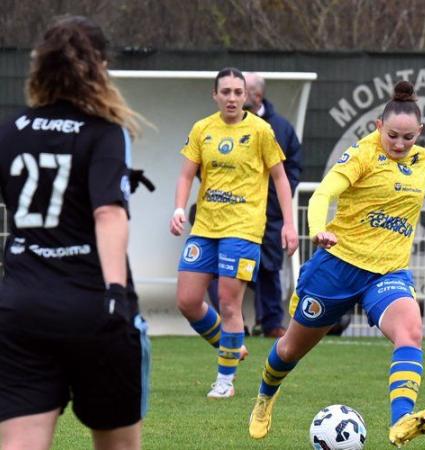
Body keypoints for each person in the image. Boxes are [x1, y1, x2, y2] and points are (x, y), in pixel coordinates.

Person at [248, 80, 425, 447]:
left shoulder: (419, 158)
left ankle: (401, 420)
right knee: (289, 350)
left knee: (410, 332)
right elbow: (324, 192)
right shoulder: (361, 155)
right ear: (379, 126)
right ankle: (265, 397)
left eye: (408, 138)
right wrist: (318, 230)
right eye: (393, 135)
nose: (399, 144)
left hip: (388, 272)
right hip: (337, 267)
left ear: (418, 134)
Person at [0, 15, 150, 450]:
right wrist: (116, 295)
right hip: (93, 310)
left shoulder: (10, 132)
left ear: (39, 67)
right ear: (100, 67)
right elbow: (108, 214)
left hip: (23, 309)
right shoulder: (105, 133)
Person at [169, 67, 298, 399]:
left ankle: (224, 380)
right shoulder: (202, 129)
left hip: (243, 228)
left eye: (237, 92)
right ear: (215, 95)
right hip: (205, 227)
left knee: (229, 303)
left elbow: (281, 179)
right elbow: (186, 175)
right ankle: (232, 346)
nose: (231, 98)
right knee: (187, 300)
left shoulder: (261, 131)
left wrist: (289, 223)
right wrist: (180, 208)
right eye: (225, 92)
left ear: (247, 96)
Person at [244, 72, 302, 338]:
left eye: (240, 91)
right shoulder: (220, 127)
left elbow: (292, 169)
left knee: (269, 267)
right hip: (232, 210)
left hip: (269, 212)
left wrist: (278, 200)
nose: (234, 97)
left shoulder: (281, 128)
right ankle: (228, 321)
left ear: (257, 95)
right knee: (223, 267)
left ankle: (271, 323)